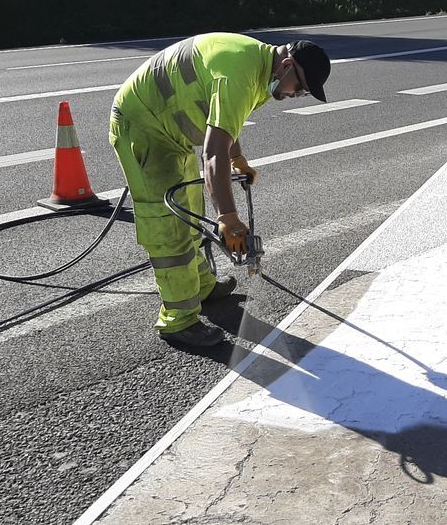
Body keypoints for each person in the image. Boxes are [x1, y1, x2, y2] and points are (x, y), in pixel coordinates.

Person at [109, 33, 330, 347]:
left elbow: (224, 119)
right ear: (287, 65)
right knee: (168, 225)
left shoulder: (260, 69)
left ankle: (201, 285)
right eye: (301, 87)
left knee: (190, 212)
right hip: (143, 126)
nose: (299, 94)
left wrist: (237, 158)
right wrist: (227, 215)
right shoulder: (239, 72)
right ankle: (179, 321)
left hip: (169, 131)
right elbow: (212, 153)